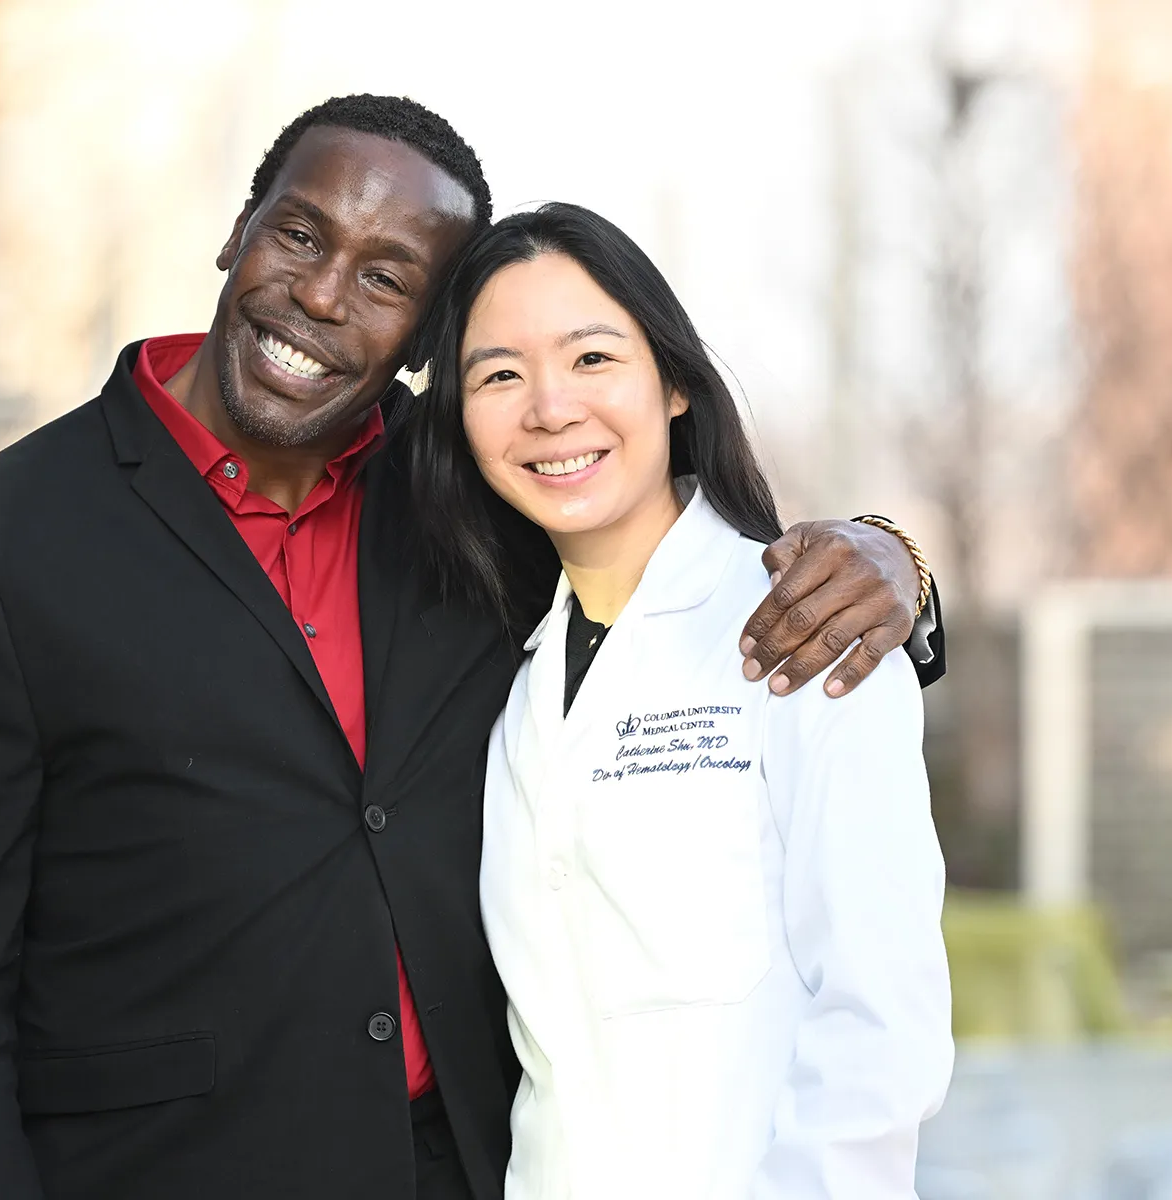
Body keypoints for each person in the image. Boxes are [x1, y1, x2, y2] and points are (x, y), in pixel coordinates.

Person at [0, 96, 945, 1200]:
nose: (321, 295)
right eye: (299, 235)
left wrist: (893, 557)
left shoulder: (465, 495)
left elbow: (649, 528)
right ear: (239, 231)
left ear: (425, 338)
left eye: (385, 279)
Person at [396, 202, 952, 1198]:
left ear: (677, 384)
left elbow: (880, 1022)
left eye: (592, 358)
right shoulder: (508, 686)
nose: (548, 408)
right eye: (497, 374)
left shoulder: (809, 623)